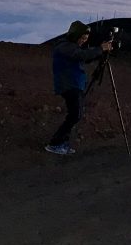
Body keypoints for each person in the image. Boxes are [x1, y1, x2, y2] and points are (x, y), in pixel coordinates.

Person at [45, 21, 112, 156]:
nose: (83, 41)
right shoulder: (65, 47)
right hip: (69, 85)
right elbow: (81, 55)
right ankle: (55, 143)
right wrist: (100, 49)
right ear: (74, 35)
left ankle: (61, 143)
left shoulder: (70, 46)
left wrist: (100, 52)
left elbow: (83, 57)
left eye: (85, 39)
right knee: (75, 114)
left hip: (74, 84)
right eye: (82, 38)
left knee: (76, 114)